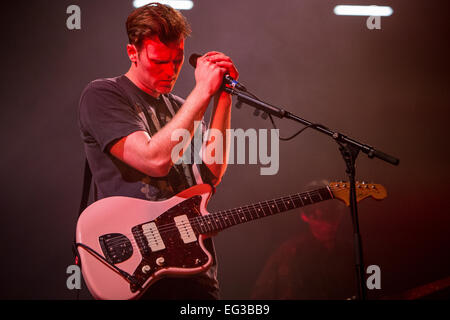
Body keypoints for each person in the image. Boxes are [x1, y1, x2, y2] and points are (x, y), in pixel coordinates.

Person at [78, 3, 238, 299]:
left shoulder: (181, 107)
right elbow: (155, 160)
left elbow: (209, 175)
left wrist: (223, 99)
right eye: (159, 61)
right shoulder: (103, 94)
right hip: (134, 267)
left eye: (177, 61)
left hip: (193, 272)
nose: (171, 71)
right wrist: (202, 91)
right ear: (132, 53)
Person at [251, 180, 356, 300]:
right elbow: (260, 297)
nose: (329, 224)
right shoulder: (289, 253)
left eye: (333, 214)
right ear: (305, 215)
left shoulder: (350, 250)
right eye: (321, 216)